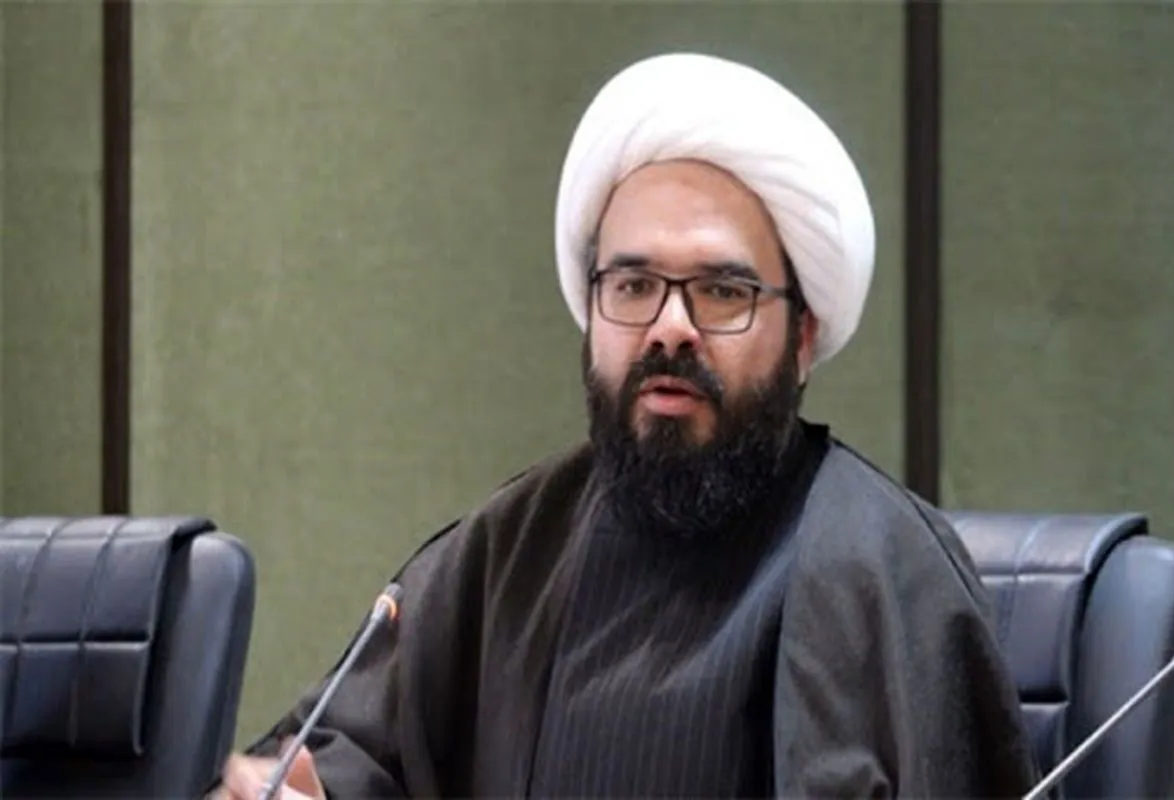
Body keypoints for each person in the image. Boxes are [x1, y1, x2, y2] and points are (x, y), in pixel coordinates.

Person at [217, 52, 1038, 799]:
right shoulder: (511, 550)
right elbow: (344, 761)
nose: (669, 329)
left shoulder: (884, 570)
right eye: (634, 286)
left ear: (802, 337)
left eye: (722, 292)